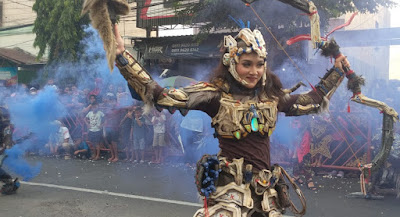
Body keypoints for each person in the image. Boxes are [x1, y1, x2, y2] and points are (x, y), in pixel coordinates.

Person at [111, 24, 350, 216]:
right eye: (247, 64)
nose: (254, 71)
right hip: (229, 193)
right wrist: (123, 57)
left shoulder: (272, 98)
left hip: (266, 193)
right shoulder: (214, 94)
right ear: (231, 63)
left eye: (259, 65)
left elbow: (313, 101)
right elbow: (162, 97)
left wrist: (337, 71)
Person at [0, 105, 19, 195]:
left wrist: (5, 145)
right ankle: (9, 182)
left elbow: (7, 141)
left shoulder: (6, 127)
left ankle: (9, 182)